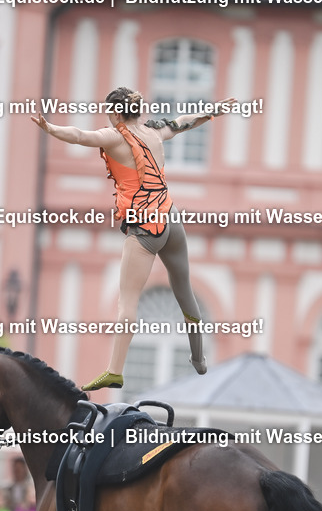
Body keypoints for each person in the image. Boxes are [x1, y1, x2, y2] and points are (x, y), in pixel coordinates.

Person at [32, 87, 237, 391]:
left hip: (144, 227)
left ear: (116, 113)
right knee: (185, 290)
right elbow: (184, 121)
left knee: (127, 302)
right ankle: (199, 357)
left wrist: (50, 129)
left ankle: (115, 370)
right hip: (171, 218)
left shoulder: (116, 136)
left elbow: (80, 135)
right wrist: (214, 110)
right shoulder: (154, 131)